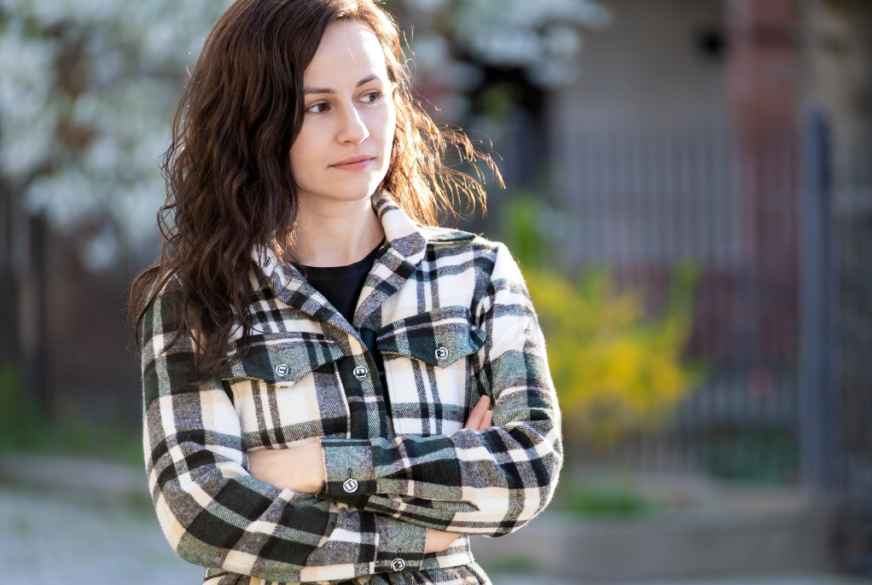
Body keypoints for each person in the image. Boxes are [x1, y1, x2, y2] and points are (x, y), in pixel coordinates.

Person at [127, 1, 562, 583]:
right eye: (319, 106)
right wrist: (423, 526)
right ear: (254, 121)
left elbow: (526, 468)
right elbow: (200, 512)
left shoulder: (476, 273)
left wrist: (314, 466)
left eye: (370, 95)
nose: (355, 130)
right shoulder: (198, 300)